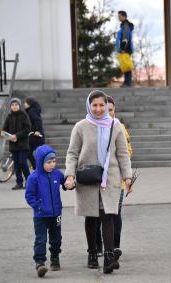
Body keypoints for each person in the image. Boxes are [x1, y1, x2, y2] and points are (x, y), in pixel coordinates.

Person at [64, 90, 132, 274]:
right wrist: (69, 175)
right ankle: (92, 252)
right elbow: (72, 153)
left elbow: (123, 154)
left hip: (110, 178)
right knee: (91, 217)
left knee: (108, 215)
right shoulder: (80, 127)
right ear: (89, 106)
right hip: (87, 177)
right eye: (94, 105)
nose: (99, 108)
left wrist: (127, 176)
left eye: (102, 105)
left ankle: (109, 256)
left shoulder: (116, 126)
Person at [25, 144, 70, 277]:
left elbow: (65, 183)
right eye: (48, 162)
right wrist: (38, 206)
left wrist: (69, 184)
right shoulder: (34, 177)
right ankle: (40, 263)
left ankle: (55, 258)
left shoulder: (57, 174)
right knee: (41, 239)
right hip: (40, 216)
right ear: (40, 162)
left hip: (56, 214)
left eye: (54, 161)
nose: (52, 164)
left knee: (56, 238)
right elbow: (29, 196)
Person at [96, 96, 133, 260]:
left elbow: (128, 152)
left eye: (111, 110)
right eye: (106, 110)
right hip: (96, 179)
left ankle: (114, 246)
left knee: (114, 213)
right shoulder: (93, 126)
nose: (108, 113)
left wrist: (126, 175)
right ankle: (97, 247)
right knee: (96, 214)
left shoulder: (120, 128)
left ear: (114, 110)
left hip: (116, 179)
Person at [0, 97, 31, 190]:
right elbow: (4, 128)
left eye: (16, 105)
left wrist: (17, 135)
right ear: (10, 106)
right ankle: (19, 183)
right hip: (13, 145)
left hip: (23, 144)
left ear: (19, 106)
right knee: (16, 164)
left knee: (23, 163)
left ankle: (29, 181)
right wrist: (3, 133)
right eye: (12, 105)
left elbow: (27, 129)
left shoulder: (24, 115)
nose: (14, 106)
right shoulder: (9, 116)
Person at [24, 96, 45, 169]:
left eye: (26, 103)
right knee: (30, 153)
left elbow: (37, 121)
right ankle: (37, 168)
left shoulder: (31, 111)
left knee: (29, 153)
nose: (24, 104)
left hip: (36, 137)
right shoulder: (32, 110)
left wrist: (37, 131)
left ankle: (37, 168)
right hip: (34, 136)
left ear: (30, 103)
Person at [116, 10, 134, 87]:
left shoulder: (125, 25)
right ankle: (126, 82)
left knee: (127, 65)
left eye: (119, 16)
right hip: (125, 49)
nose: (118, 17)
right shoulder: (123, 25)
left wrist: (122, 48)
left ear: (124, 16)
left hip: (125, 49)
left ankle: (128, 83)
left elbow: (125, 37)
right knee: (125, 65)